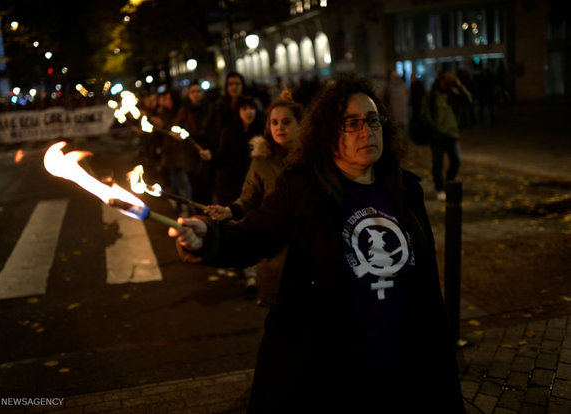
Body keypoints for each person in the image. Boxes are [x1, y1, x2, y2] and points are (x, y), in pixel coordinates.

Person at [168, 75, 465, 413]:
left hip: (403, 371)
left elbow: (424, 285)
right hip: (332, 375)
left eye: (372, 120)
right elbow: (250, 237)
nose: (366, 131)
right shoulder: (303, 189)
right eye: (351, 124)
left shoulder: (405, 189)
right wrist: (208, 237)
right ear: (328, 133)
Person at [205, 90, 303, 305]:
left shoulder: (314, 158)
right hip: (275, 248)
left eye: (286, 121)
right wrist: (230, 211)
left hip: (310, 246)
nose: (280, 127)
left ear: (299, 124)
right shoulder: (261, 161)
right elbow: (249, 198)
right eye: (274, 122)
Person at [421, 69, 472, 201]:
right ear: (439, 81)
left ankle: (448, 183)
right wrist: (433, 127)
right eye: (445, 81)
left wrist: (459, 85)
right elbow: (424, 112)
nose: (446, 85)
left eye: (448, 82)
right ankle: (439, 187)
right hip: (437, 136)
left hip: (452, 134)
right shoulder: (432, 95)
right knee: (437, 164)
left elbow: (468, 100)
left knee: (456, 161)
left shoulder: (453, 94)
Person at [212, 95, 265, 206]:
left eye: (252, 108)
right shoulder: (229, 132)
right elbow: (222, 158)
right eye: (244, 109)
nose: (249, 112)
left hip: (257, 183)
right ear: (238, 111)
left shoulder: (262, 131)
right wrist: (210, 157)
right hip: (235, 183)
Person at [174, 81, 213, 207]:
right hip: (190, 158)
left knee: (208, 191)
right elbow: (176, 129)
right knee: (195, 192)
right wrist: (178, 135)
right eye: (192, 92)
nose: (196, 94)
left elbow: (211, 132)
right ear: (188, 94)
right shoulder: (184, 111)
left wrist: (189, 134)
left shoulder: (210, 109)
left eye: (198, 91)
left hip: (207, 154)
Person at [383, 70, 410, 135]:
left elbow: (386, 99)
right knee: (403, 130)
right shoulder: (404, 85)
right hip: (403, 111)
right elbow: (409, 96)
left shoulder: (389, 86)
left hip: (393, 112)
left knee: (395, 131)